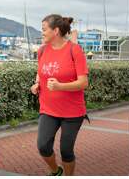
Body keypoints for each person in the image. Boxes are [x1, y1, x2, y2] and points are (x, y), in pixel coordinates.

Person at [31, 14, 89, 176]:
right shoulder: (42, 50)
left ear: (55, 31)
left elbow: (83, 83)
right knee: (43, 146)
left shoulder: (74, 50)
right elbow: (40, 72)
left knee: (66, 150)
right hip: (48, 109)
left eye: (44, 29)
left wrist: (59, 86)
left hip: (72, 112)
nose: (41, 32)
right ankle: (56, 171)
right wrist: (36, 84)